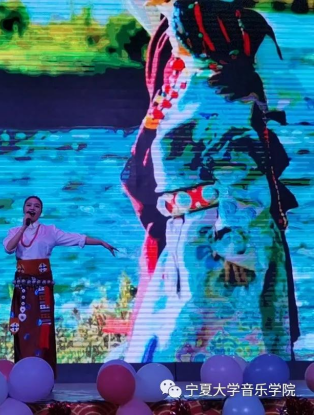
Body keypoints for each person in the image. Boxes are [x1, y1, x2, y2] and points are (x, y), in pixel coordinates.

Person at [118, 0, 300, 362]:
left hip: (218, 237)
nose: (170, 37)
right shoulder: (187, 80)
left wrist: (237, 248)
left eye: (176, 33)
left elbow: (241, 174)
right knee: (175, 335)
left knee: (209, 338)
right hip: (186, 234)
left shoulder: (224, 96)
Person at [3, 196, 117, 376]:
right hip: (23, 289)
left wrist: (101, 242)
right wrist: (23, 227)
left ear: (41, 211)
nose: (32, 208)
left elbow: (77, 238)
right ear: (24, 209)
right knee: (23, 329)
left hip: (43, 288)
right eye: (29, 205)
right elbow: (9, 248)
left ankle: (43, 374)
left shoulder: (50, 231)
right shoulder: (14, 231)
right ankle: (23, 373)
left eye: (37, 206)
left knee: (43, 331)